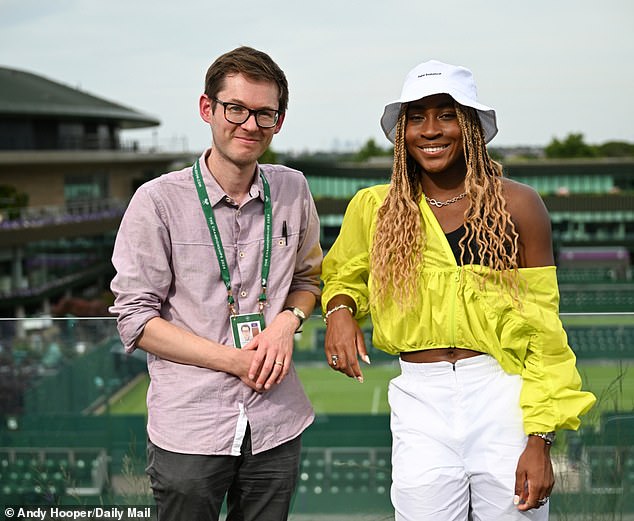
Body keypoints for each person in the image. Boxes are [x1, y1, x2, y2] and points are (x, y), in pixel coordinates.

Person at [321, 59, 596, 521]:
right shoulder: (375, 207)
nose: (430, 130)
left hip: (502, 392)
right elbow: (343, 276)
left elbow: (544, 330)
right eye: (416, 117)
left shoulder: (519, 204)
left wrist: (540, 437)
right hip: (418, 400)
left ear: (470, 125)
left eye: (446, 115)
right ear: (401, 131)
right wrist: (340, 310)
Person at [110, 46, 322, 521]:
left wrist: (289, 321)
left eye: (264, 114)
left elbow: (309, 279)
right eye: (236, 109)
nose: (250, 124)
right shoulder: (157, 201)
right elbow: (136, 320)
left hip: (276, 421)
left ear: (278, 121)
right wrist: (234, 361)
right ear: (208, 108)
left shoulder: (293, 189)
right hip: (192, 426)